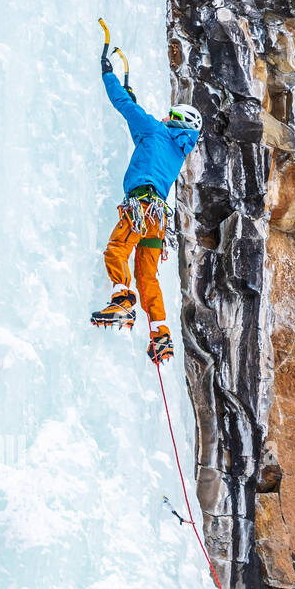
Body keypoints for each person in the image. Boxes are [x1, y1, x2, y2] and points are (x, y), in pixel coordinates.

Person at [92, 49, 202, 364]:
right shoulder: (178, 151)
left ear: (176, 120)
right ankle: (160, 335)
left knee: (116, 250)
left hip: (140, 205)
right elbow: (142, 136)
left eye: (170, 115)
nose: (165, 117)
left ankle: (122, 302)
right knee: (147, 275)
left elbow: (126, 109)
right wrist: (134, 100)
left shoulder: (156, 130)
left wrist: (108, 75)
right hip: (157, 217)